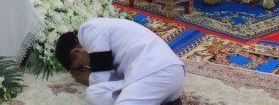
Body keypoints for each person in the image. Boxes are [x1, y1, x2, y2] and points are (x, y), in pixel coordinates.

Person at [55, 18, 185, 105]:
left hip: (158, 72)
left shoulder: (89, 30)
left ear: (76, 52)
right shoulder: (97, 28)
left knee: (97, 89)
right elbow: (103, 83)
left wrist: (88, 79)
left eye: (82, 65)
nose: (88, 66)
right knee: (94, 94)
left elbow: (100, 77)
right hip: (159, 75)